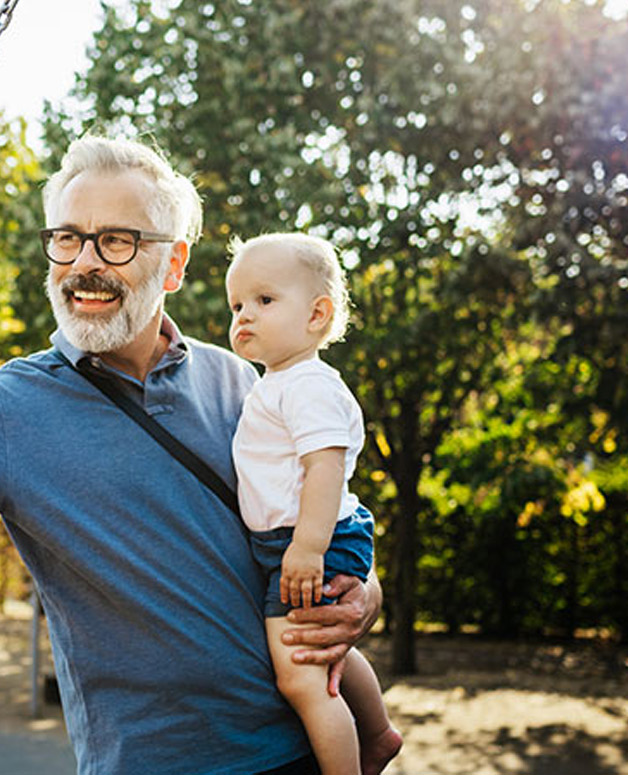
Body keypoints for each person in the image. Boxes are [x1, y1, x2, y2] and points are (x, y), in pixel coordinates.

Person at [0, 135, 384, 774]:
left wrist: (365, 595)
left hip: (299, 753)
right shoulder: (10, 406)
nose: (85, 263)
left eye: (116, 240)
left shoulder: (244, 380)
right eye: (68, 238)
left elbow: (326, 516)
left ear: (173, 265)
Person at [226, 234, 402, 775]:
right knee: (328, 653)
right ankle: (376, 735)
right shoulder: (277, 382)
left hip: (307, 541)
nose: (244, 316)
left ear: (317, 314)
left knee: (300, 675)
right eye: (236, 305)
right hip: (292, 542)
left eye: (264, 300)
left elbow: (324, 469)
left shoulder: (308, 385)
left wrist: (307, 547)